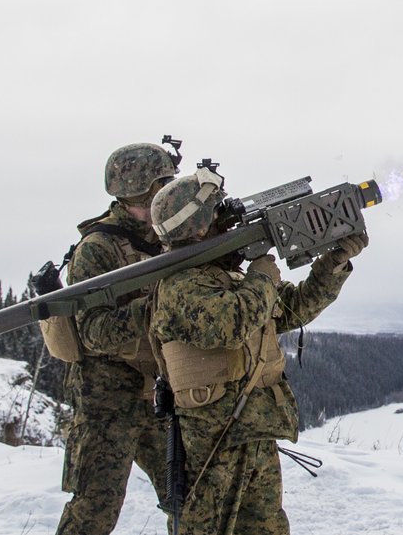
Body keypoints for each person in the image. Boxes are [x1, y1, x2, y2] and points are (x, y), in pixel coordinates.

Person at [148, 166, 367, 535]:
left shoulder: (229, 277)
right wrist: (263, 273)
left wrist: (334, 263)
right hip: (213, 442)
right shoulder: (180, 286)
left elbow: (295, 308)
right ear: (198, 227)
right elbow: (231, 324)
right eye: (216, 213)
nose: (226, 219)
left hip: (255, 429)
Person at [56, 141, 181, 535]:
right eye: (156, 192)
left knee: (188, 497)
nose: (165, 198)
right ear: (131, 194)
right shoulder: (97, 249)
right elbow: (93, 331)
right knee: (94, 510)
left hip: (157, 394)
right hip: (105, 402)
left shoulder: (168, 235)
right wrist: (158, 306)